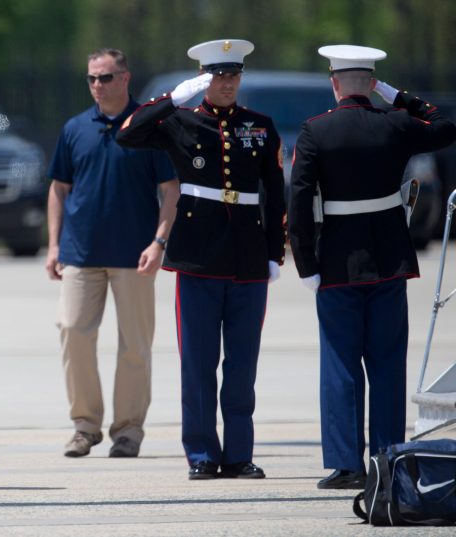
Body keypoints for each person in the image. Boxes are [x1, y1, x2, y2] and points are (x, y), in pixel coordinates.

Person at [288, 45, 456, 490]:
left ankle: (346, 464)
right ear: (372, 83)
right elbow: (445, 126)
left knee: (341, 363)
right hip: (388, 259)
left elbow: (299, 201)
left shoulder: (315, 131)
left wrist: (305, 262)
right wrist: (398, 95)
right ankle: (387, 457)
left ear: (334, 82)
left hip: (337, 262)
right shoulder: (396, 123)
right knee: (385, 363)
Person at [117, 39, 285, 480]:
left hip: (248, 255)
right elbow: (128, 133)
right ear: (204, 79)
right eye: (218, 77)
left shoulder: (260, 126)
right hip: (196, 256)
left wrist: (273, 253)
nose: (227, 84)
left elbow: (276, 193)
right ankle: (201, 454)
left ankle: (239, 454)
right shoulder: (180, 122)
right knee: (198, 362)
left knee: (242, 364)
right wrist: (173, 97)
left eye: (233, 76)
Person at [46, 48, 179, 459]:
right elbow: (58, 188)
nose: (97, 86)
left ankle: (128, 431)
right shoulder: (75, 129)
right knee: (72, 331)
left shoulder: (149, 127)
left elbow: (171, 191)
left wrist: (159, 242)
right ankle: (85, 427)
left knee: (135, 346)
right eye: (91, 79)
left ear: (126, 78)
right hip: (80, 253)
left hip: (135, 256)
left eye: (105, 77)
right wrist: (53, 244)